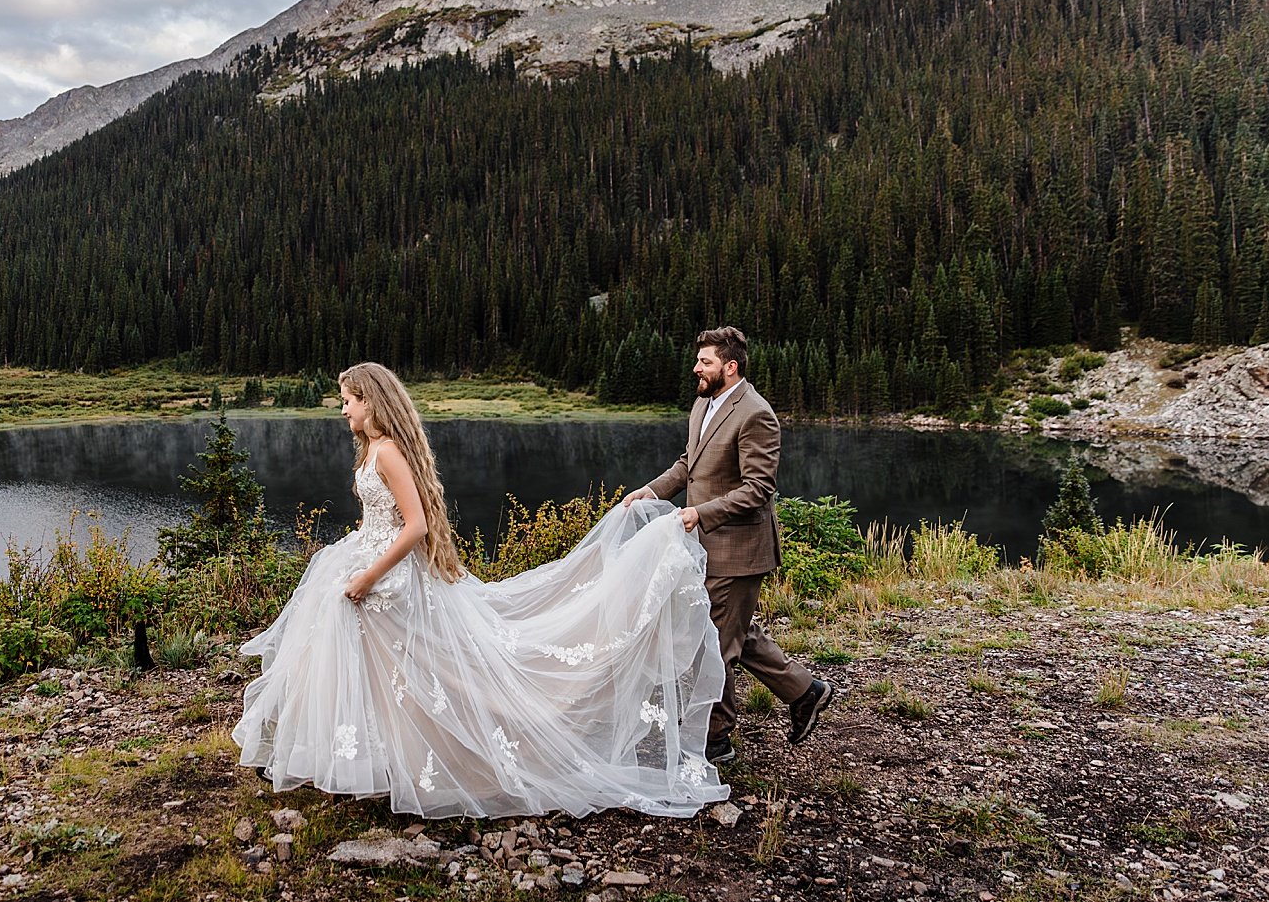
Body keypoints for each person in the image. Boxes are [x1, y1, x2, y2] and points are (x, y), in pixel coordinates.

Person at [232, 361, 729, 818]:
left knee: (423, 674)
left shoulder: (387, 453)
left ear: (371, 400)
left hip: (391, 580)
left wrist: (367, 575)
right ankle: (363, 756)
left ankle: (449, 756)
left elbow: (416, 527)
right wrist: (353, 556)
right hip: (370, 565)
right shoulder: (372, 450)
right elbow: (377, 521)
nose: (342, 410)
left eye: (348, 400)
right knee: (380, 670)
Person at [626, 326, 834, 764]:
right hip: (704, 546)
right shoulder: (703, 403)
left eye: (705, 361)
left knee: (715, 645)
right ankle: (804, 691)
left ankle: (716, 741)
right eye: (698, 360)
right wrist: (653, 491)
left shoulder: (755, 414)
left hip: (739, 549)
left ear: (730, 367)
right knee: (732, 630)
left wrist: (702, 513)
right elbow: (690, 464)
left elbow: (759, 488)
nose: (696, 368)